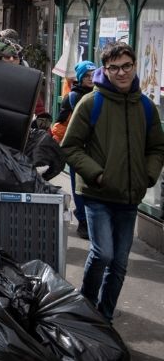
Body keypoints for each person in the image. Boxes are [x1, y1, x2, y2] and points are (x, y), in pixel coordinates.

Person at [62, 43, 164, 322]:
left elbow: (157, 147)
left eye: (126, 66)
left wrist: (147, 175)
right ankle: (85, 310)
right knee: (103, 253)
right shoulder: (91, 102)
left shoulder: (145, 106)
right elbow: (70, 146)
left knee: (119, 263)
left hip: (129, 197)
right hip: (98, 194)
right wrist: (98, 174)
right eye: (114, 67)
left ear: (134, 66)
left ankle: (103, 319)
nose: (121, 72)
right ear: (105, 70)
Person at [52, 60, 97, 238]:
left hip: (95, 148)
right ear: (80, 78)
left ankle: (91, 220)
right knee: (79, 186)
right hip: (78, 149)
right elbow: (60, 123)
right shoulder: (73, 97)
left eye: (93, 75)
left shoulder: (100, 95)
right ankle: (83, 221)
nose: (90, 79)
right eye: (87, 75)